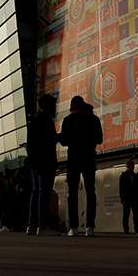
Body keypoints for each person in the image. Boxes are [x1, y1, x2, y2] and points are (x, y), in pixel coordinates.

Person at [60, 95, 103, 236]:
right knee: (90, 191)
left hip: (73, 159)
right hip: (89, 157)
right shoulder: (94, 119)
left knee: (72, 193)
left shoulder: (68, 120)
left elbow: (63, 142)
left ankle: (74, 227)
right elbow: (99, 139)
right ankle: (90, 227)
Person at [27, 94, 59, 235]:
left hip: (35, 163)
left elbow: (31, 144)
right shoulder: (47, 121)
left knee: (36, 193)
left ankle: (32, 226)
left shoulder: (35, 122)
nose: (56, 108)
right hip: (46, 163)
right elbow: (50, 141)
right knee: (44, 194)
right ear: (48, 106)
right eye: (54, 105)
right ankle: (43, 226)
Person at [119, 160, 138, 234]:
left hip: (134, 198)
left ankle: (136, 229)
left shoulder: (135, 176)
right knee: (126, 215)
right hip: (127, 199)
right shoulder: (123, 176)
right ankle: (126, 230)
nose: (133, 167)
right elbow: (121, 188)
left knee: (136, 215)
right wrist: (123, 199)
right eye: (132, 166)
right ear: (128, 166)